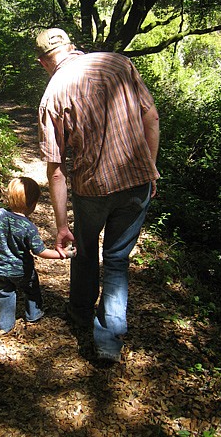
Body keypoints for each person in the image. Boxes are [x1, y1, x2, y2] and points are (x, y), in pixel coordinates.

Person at [36, 28, 160, 363]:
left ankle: (79, 314)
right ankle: (109, 339)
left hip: (92, 189)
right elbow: (151, 117)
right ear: (73, 48)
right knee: (118, 259)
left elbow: (57, 169)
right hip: (136, 182)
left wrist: (62, 228)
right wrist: (150, 169)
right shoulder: (118, 64)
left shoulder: (52, 95)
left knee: (86, 251)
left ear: (43, 63)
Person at [0, 176, 75, 332]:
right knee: (31, 290)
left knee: (3, 293)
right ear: (32, 205)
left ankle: (5, 325)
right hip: (22, 271)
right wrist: (63, 254)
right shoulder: (28, 227)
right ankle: (34, 314)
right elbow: (41, 252)